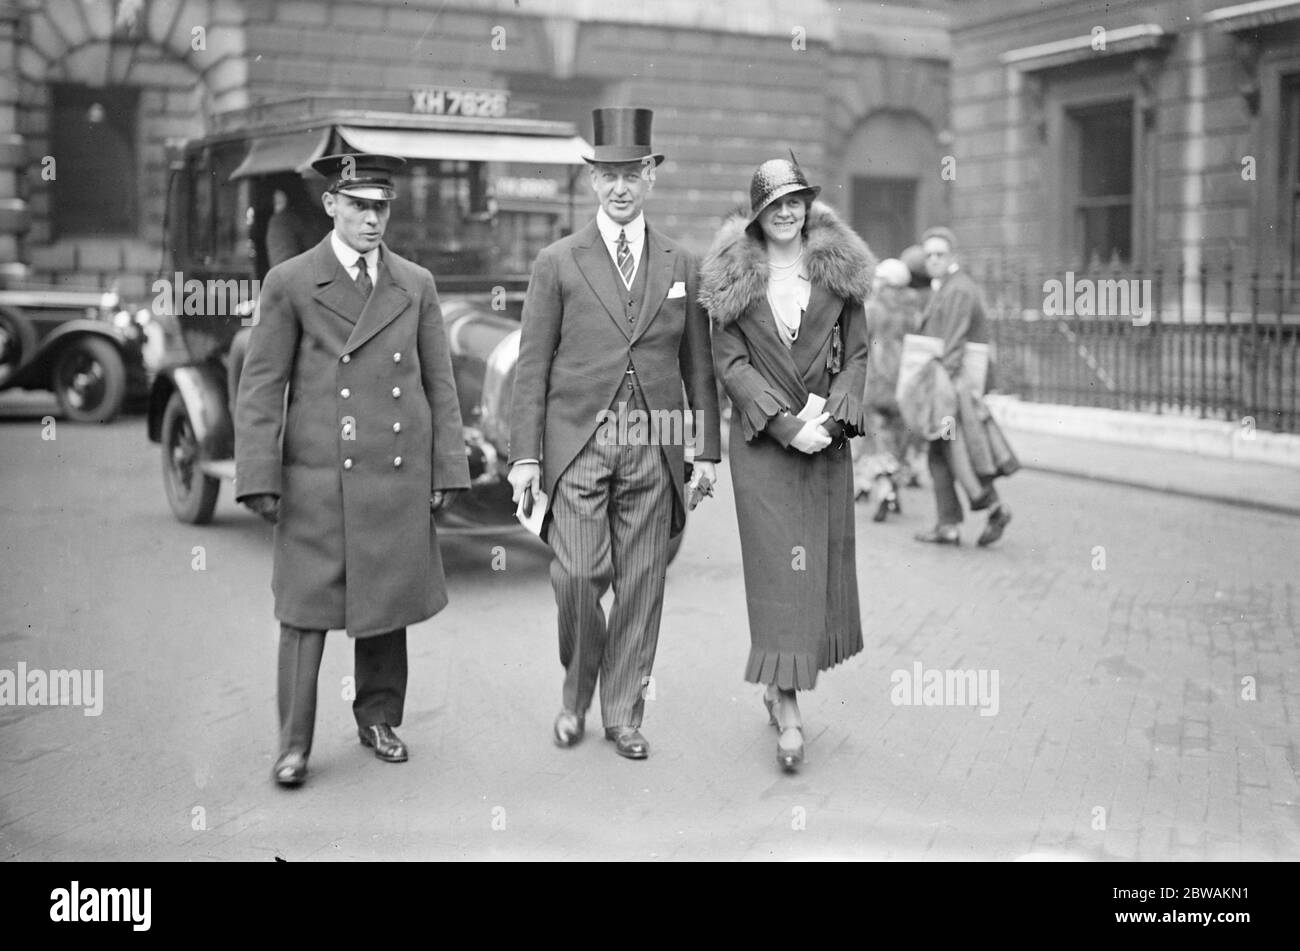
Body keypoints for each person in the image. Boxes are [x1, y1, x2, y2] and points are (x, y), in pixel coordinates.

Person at [235, 153, 471, 787]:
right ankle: (293, 744)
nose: (372, 219)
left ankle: (378, 718)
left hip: (395, 474)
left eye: (382, 206)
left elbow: (438, 383)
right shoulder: (290, 280)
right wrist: (259, 474)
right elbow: (262, 384)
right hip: (317, 475)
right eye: (360, 205)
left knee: (386, 606)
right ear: (331, 205)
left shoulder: (414, 283)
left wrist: (447, 466)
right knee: (305, 614)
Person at [507, 107, 721, 761]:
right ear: (593, 181)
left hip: (654, 443)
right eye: (608, 175)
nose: (621, 187)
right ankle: (576, 693)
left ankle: (623, 711)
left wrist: (707, 450)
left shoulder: (681, 260)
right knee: (576, 575)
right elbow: (531, 366)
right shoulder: (557, 262)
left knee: (643, 580)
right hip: (579, 441)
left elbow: (698, 366)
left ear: (651, 176)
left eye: (633, 172)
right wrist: (523, 457)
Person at [699, 156, 874, 771]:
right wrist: (783, 425)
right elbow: (731, 366)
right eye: (774, 205)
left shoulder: (840, 278)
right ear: (757, 215)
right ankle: (791, 710)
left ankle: (780, 684)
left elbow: (857, 356)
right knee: (780, 574)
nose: (786, 212)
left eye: (795, 201)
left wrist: (831, 421)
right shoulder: (731, 285)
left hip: (826, 444)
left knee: (814, 570)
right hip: (765, 449)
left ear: (807, 207)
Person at [912, 226, 1016, 547]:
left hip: (950, 389)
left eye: (939, 254)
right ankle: (950, 524)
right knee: (943, 452)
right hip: (948, 386)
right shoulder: (949, 287)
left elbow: (953, 347)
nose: (933, 260)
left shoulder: (957, 290)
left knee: (955, 451)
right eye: (928, 255)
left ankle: (990, 511)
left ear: (953, 256)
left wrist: (938, 393)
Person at [228, 175, 328, 418]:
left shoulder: (287, 222)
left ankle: (244, 417)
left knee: (241, 344)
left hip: (314, 312)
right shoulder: (305, 221)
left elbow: (285, 277)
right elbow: (287, 276)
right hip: (314, 306)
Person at [852, 257, 922, 520]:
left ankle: (882, 489)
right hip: (906, 386)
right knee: (898, 440)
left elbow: (858, 345)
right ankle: (893, 489)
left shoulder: (872, 309)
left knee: (875, 440)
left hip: (876, 383)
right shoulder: (915, 311)